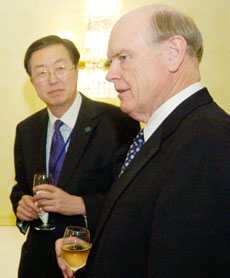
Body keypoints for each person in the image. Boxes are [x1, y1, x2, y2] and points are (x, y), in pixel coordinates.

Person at [56, 5, 230, 278]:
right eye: (110, 61)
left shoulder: (208, 142)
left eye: (123, 57)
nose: (110, 74)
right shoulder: (170, 132)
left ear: (173, 53)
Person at [10, 35, 140, 278]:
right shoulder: (26, 129)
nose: (52, 79)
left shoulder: (117, 123)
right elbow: (21, 187)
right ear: (32, 81)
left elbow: (131, 198)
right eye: (41, 72)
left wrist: (79, 204)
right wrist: (21, 204)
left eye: (60, 68)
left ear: (76, 70)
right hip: (36, 262)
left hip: (89, 257)